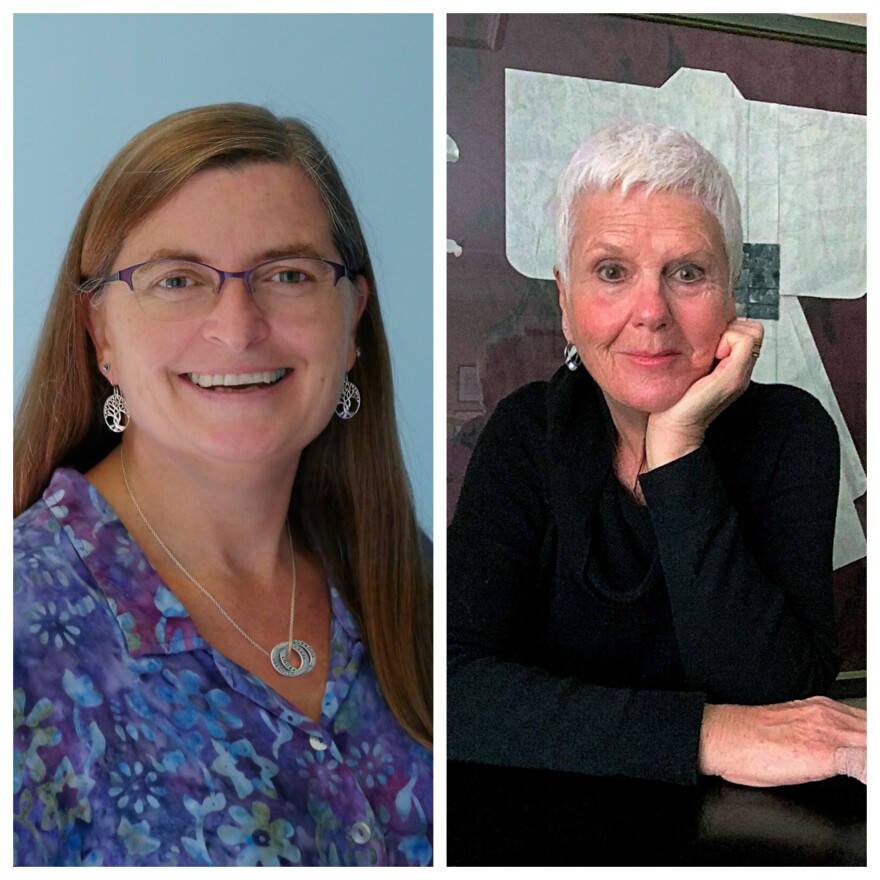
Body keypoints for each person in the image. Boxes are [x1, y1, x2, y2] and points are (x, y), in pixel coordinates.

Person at [14, 103, 432, 867]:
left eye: (289, 275)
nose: (237, 328)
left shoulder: (421, 587)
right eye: (178, 279)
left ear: (353, 320)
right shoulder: (23, 627)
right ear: (101, 333)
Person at [448, 122, 866, 793]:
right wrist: (706, 735)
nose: (651, 311)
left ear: (734, 295)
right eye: (612, 271)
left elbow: (783, 698)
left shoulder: (793, 432)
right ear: (564, 302)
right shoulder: (526, 432)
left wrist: (676, 451)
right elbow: (455, 689)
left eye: (688, 273)